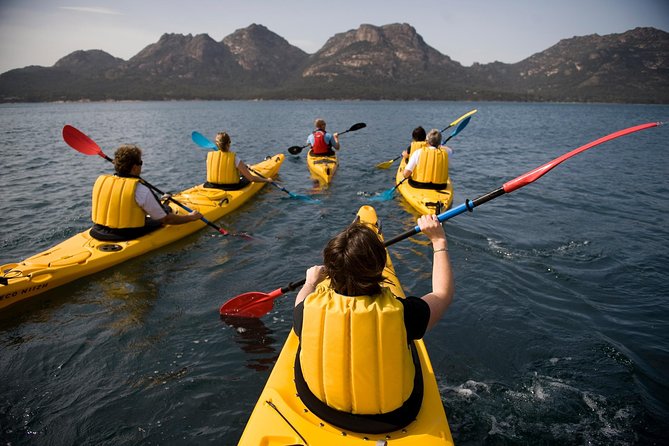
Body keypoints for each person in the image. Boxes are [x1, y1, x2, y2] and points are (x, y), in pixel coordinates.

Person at [292, 214, 454, 433]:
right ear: (380, 269)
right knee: (411, 340)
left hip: (320, 406)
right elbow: (442, 294)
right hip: (393, 417)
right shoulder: (403, 313)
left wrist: (310, 282)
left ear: (330, 272)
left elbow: (299, 304)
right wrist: (439, 241)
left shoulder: (308, 308)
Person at [90, 144, 203, 241]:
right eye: (141, 162)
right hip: (126, 234)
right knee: (167, 211)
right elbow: (167, 219)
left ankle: (162, 204)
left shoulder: (101, 181)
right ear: (134, 168)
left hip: (98, 231)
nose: (141, 166)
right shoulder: (140, 189)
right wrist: (190, 217)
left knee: (164, 208)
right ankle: (163, 205)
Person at [204, 131, 273, 190]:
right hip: (230, 187)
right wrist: (267, 180)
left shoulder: (209, 156)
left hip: (212, 185)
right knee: (245, 177)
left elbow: (221, 168)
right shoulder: (235, 158)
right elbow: (251, 178)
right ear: (228, 144)